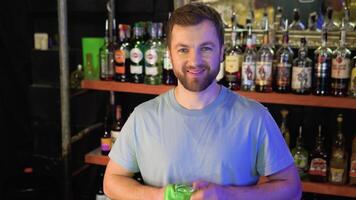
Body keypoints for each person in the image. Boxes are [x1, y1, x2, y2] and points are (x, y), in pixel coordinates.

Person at [104, 3, 301, 199]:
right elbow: (112, 181)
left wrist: (228, 196)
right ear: (170, 55)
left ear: (222, 51)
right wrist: (159, 196)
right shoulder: (143, 117)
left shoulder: (255, 117)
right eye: (183, 50)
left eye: (206, 48)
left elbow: (292, 188)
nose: (195, 60)